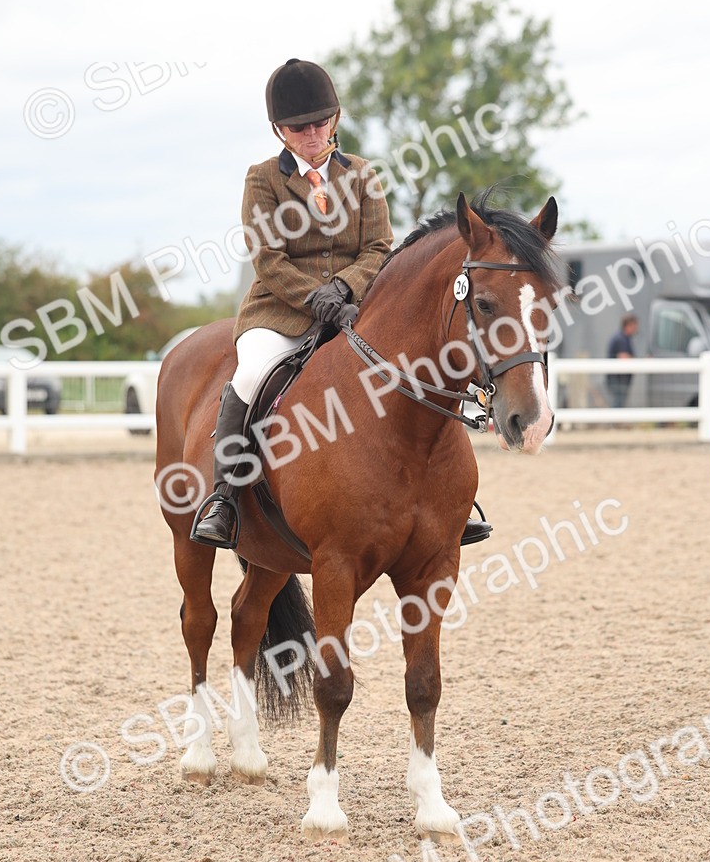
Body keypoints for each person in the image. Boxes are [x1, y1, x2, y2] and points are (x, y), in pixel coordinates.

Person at [193, 57, 490, 549]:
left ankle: (450, 498)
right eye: (298, 127)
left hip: (355, 307)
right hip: (281, 311)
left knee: (417, 368)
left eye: (319, 122)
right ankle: (225, 496)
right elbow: (267, 258)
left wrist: (345, 289)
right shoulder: (263, 179)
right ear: (279, 130)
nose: (311, 134)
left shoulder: (362, 174)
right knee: (250, 376)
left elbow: (378, 247)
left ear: (334, 119)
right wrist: (315, 297)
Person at [606, 314, 639, 409]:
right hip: (618, 379)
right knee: (618, 403)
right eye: (635, 325)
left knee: (619, 403)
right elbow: (623, 358)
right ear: (628, 325)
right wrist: (640, 362)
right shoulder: (621, 339)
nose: (636, 328)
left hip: (620, 379)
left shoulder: (625, 338)